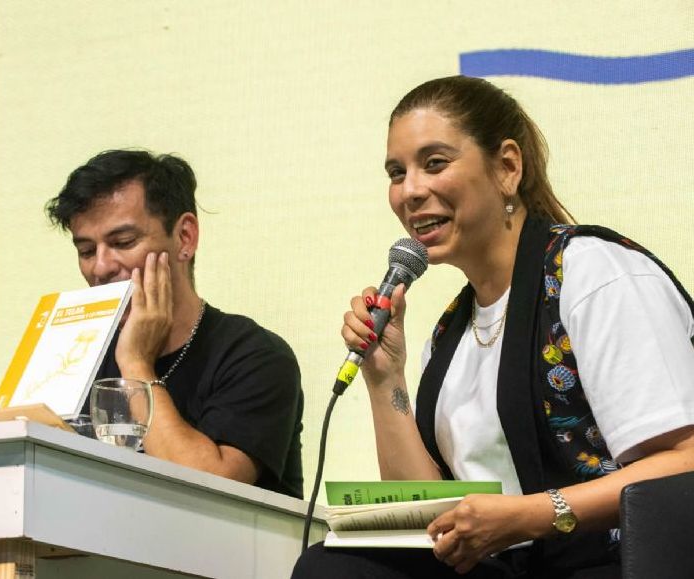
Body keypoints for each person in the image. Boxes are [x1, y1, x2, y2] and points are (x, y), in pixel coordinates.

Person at [293, 76, 694, 577]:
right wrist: (385, 378)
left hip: (611, 564)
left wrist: (528, 516)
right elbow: (430, 520)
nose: (411, 191)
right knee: (337, 567)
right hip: (508, 569)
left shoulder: (593, 272)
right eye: (397, 172)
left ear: (507, 167)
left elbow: (684, 462)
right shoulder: (450, 332)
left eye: (434, 163)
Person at [45, 149, 304, 498]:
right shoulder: (77, 358)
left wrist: (135, 362)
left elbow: (208, 489)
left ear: (184, 237)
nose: (101, 267)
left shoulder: (255, 355)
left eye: (122, 242)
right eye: (87, 250)